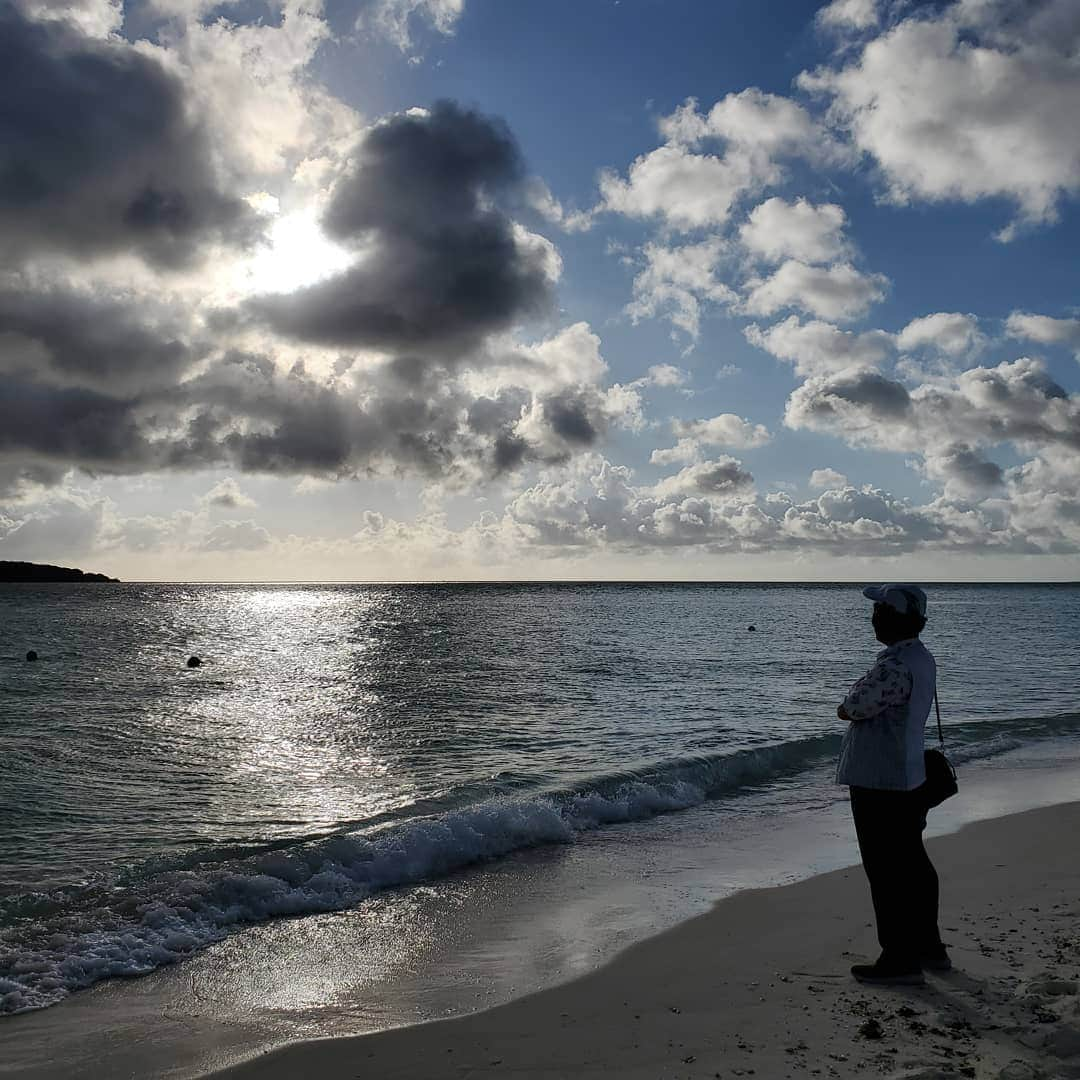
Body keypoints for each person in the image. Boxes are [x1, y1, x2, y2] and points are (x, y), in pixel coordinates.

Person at [836, 584, 949, 985]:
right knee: (912, 864)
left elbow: (851, 708)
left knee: (886, 871)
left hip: (881, 782)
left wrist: (847, 701)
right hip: (909, 775)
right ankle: (928, 946)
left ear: (896, 618)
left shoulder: (893, 666)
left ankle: (900, 958)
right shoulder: (921, 658)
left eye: (880, 610)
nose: (873, 617)